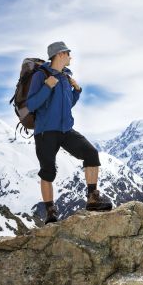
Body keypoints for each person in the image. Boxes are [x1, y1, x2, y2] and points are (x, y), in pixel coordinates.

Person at [26, 41, 112, 224]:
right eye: (68, 53)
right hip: (45, 132)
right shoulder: (40, 76)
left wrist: (77, 91)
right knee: (48, 171)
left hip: (65, 130)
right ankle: (50, 212)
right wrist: (47, 86)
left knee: (91, 154)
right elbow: (31, 105)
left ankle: (92, 198)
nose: (71, 56)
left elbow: (67, 105)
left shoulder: (65, 77)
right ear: (60, 54)